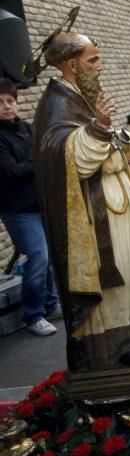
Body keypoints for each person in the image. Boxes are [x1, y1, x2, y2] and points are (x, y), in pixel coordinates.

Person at [32, 32, 130, 371]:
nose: (100, 66)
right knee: (117, 283)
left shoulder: (82, 95)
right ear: (71, 64)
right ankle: (118, 347)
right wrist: (97, 127)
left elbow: (111, 143)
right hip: (97, 222)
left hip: (121, 210)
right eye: (93, 60)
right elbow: (74, 160)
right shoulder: (56, 104)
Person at [0, 78, 59, 336]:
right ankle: (33, 314)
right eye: (0, 102)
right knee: (38, 257)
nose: (6, 106)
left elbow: (46, 155)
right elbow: (11, 171)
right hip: (18, 209)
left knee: (47, 260)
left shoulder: (25, 128)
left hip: (40, 204)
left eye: (10, 101)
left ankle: (50, 303)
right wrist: (36, 159)